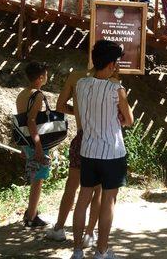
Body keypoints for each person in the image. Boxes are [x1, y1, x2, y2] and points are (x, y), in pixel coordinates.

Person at [71, 40, 134, 259]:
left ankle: (77, 250)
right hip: (112, 152)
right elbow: (129, 120)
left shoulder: (81, 84)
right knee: (109, 201)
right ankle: (101, 251)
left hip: (88, 150)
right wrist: (118, 120)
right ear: (111, 64)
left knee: (83, 199)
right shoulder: (116, 89)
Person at [45, 70, 102, 246]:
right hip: (101, 139)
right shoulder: (111, 79)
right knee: (97, 189)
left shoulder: (75, 77)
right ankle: (89, 234)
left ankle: (59, 228)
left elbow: (60, 106)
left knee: (72, 185)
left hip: (81, 136)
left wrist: (76, 110)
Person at [15, 61, 51, 228]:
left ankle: (32, 213)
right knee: (38, 180)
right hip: (36, 142)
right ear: (40, 77)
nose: (47, 76)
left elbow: (20, 123)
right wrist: (38, 148)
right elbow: (31, 122)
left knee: (35, 177)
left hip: (26, 141)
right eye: (45, 74)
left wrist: (22, 147)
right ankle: (31, 217)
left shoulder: (21, 94)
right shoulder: (37, 95)